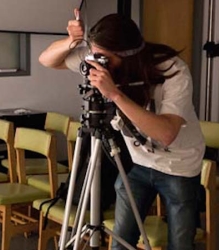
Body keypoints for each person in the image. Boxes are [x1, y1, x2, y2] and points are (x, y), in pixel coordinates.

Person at [39, 8, 205, 250]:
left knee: (180, 243)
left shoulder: (173, 70)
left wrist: (114, 94)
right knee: (121, 240)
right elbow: (47, 60)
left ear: (127, 54)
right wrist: (71, 42)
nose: (97, 63)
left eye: (103, 58)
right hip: (138, 163)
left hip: (178, 165)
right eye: (94, 55)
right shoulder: (100, 56)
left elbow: (166, 134)